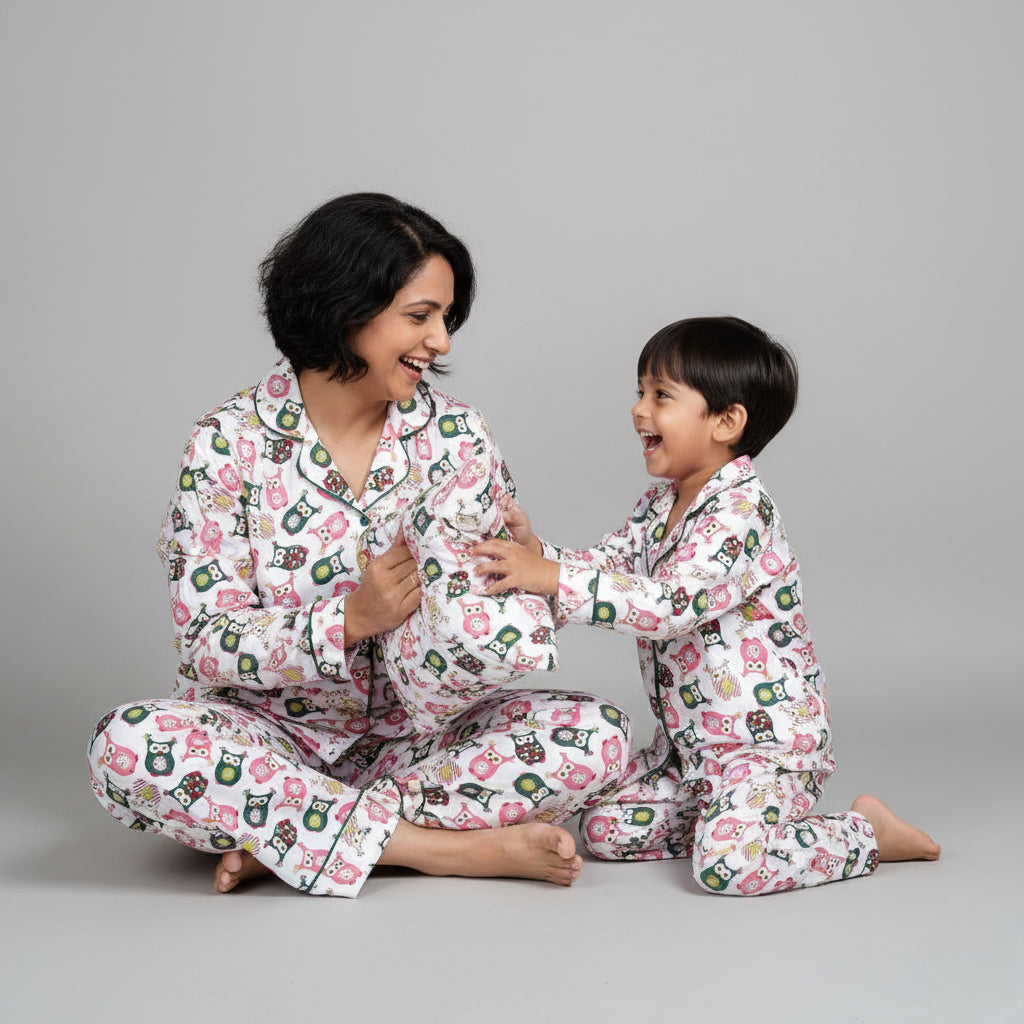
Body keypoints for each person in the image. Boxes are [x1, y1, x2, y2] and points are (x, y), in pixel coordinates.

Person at [87, 194, 631, 896]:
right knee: (126, 747)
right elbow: (205, 640)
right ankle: (439, 851)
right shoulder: (228, 444)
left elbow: (493, 620)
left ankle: (287, 835)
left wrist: (528, 581)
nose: (442, 342)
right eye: (419, 316)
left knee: (600, 734)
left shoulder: (459, 438)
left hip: (420, 743)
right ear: (345, 308)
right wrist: (349, 620)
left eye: (444, 318)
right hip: (263, 737)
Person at [473, 316, 940, 894]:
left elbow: (671, 605)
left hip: (764, 751)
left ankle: (865, 833)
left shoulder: (741, 511)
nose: (639, 410)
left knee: (727, 870)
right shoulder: (660, 503)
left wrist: (552, 578)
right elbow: (611, 566)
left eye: (661, 396)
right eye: (639, 392)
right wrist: (538, 553)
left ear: (726, 421)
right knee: (604, 831)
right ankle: (729, 820)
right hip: (690, 757)